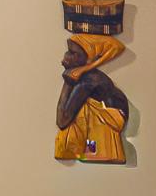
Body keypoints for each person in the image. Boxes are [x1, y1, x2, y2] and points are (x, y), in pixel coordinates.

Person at [54, 32, 129, 163]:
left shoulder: (89, 81)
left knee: (83, 110)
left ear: (88, 58)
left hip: (113, 117)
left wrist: (68, 82)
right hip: (104, 115)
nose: (66, 56)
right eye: (68, 51)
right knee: (82, 110)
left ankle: (95, 152)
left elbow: (62, 121)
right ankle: (90, 151)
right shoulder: (85, 76)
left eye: (73, 53)